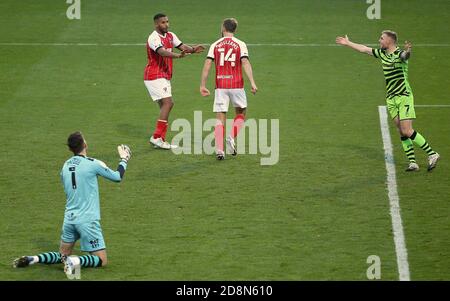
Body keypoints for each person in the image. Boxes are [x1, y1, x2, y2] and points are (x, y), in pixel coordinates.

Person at [13, 132, 132, 276]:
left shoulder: (65, 166)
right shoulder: (93, 163)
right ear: (85, 144)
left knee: (62, 256)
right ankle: (75, 262)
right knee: (101, 259)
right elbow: (117, 177)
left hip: (69, 218)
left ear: (71, 149)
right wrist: (124, 159)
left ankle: (34, 258)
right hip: (87, 219)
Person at [336, 31, 440, 171]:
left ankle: (432, 154)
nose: (379, 40)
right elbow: (365, 49)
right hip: (391, 98)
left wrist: (408, 51)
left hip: (404, 96)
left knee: (407, 130)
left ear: (390, 41)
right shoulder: (382, 53)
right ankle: (413, 163)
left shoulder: (399, 54)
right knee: (401, 130)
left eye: (381, 38)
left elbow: (405, 56)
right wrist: (348, 43)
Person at [200, 18, 258, 160]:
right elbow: (245, 62)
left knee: (220, 116)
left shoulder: (215, 44)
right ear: (235, 29)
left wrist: (202, 84)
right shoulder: (240, 44)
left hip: (221, 86)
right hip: (237, 84)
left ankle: (220, 150)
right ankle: (231, 137)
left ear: (223, 28)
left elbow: (207, 64)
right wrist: (252, 82)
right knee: (241, 113)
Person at [145, 13, 204, 150]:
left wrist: (194, 49)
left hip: (164, 76)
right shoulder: (153, 38)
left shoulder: (171, 36)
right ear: (156, 24)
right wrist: (178, 56)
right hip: (155, 75)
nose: (166, 24)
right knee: (168, 103)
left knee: (164, 107)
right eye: (163, 22)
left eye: (167, 21)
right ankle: (156, 137)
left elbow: (183, 47)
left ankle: (160, 139)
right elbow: (162, 52)